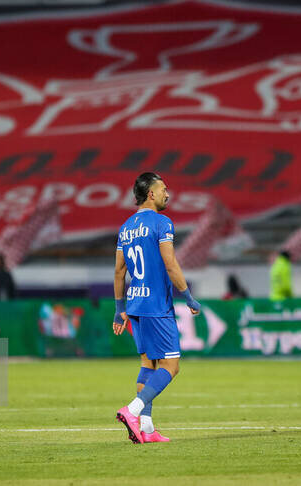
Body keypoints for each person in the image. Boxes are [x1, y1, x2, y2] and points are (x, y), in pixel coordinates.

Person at [113, 172, 201, 444]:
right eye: (163, 188)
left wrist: (119, 309)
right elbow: (170, 263)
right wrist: (187, 296)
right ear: (150, 193)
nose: (168, 193)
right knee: (171, 366)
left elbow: (119, 272)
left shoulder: (126, 227)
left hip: (135, 304)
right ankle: (133, 410)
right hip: (156, 304)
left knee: (148, 364)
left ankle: (147, 430)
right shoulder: (162, 223)